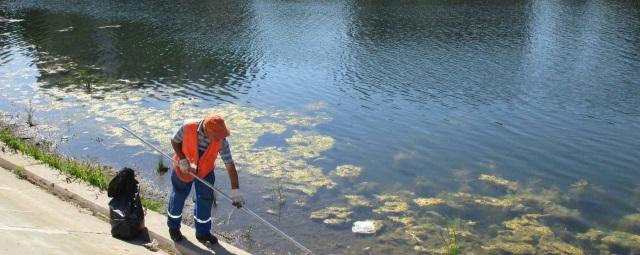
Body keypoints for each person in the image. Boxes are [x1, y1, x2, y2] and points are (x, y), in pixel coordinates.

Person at [167, 113, 244, 246]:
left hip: (205, 171)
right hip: (184, 167)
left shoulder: (221, 140)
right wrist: (182, 158)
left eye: (221, 136)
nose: (220, 139)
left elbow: (229, 165)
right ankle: (173, 228)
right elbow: (174, 140)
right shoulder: (188, 126)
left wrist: (235, 191)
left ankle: (202, 232)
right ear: (207, 130)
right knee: (179, 196)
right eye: (217, 136)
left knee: (205, 200)